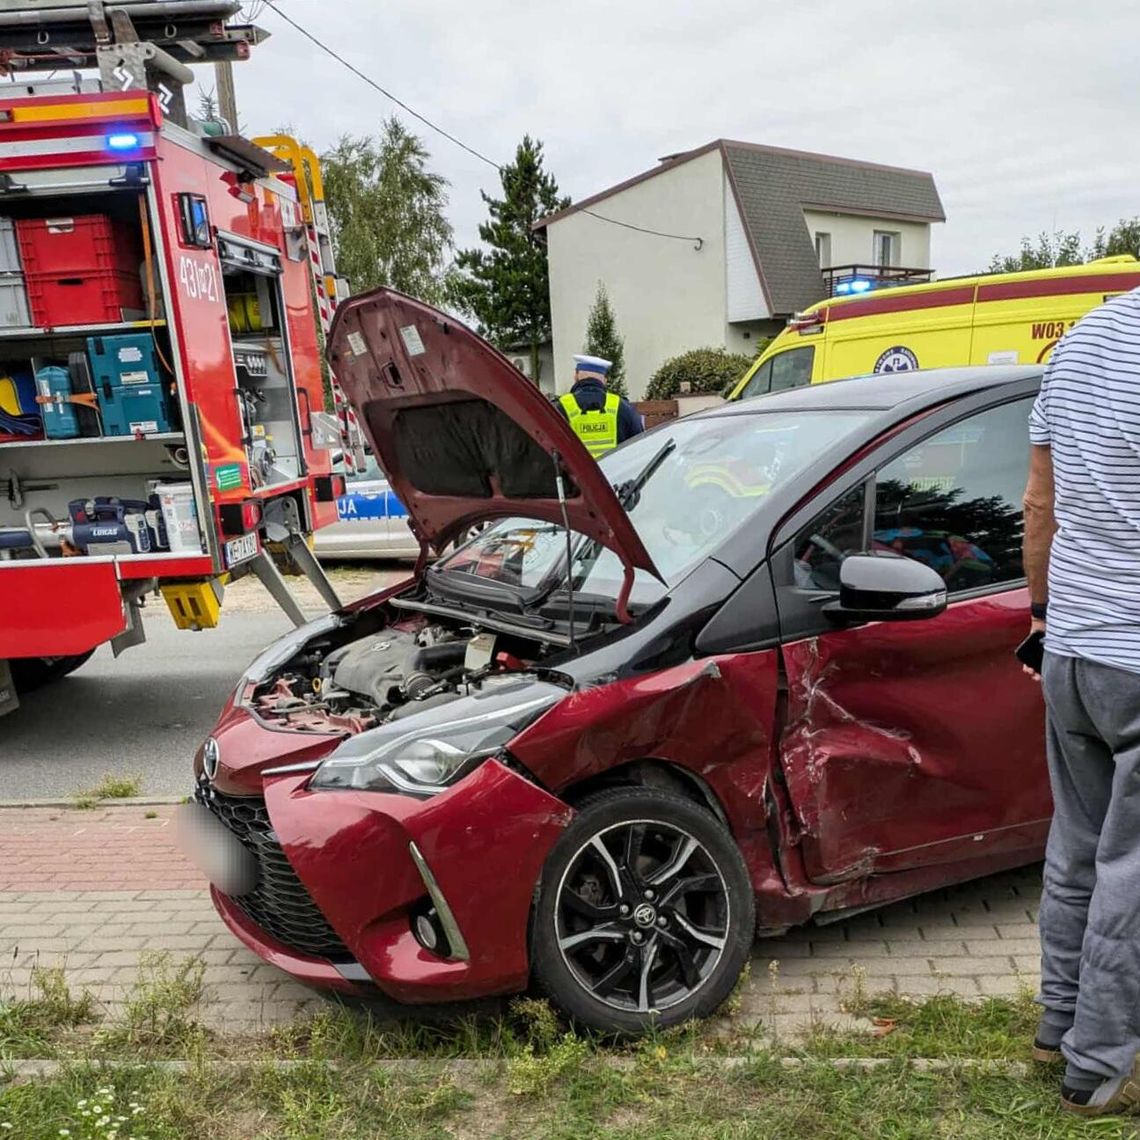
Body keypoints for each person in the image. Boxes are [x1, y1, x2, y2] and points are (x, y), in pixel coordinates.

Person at [1023, 289, 1140, 1116]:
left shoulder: (1082, 339)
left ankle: (1056, 1026)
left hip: (1071, 646)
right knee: (1129, 869)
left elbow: (1040, 502)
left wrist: (1038, 616)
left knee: (1078, 848)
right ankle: (1097, 1065)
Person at [556, 354, 644, 457]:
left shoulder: (562, 407)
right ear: (604, 380)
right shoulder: (621, 406)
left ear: (576, 376)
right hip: (616, 472)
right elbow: (640, 444)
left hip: (576, 473)